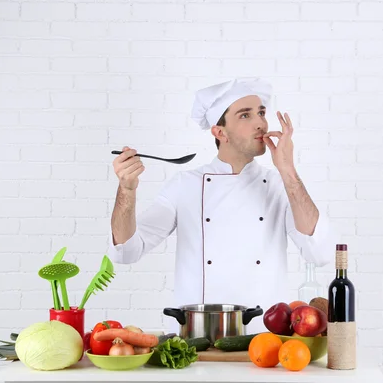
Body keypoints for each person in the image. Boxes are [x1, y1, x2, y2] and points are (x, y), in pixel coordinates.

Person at [108, 78, 333, 334]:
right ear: (220, 132)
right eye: (245, 115)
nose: (261, 122)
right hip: (196, 337)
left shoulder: (280, 186)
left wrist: (288, 170)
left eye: (261, 112)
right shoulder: (185, 185)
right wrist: (126, 191)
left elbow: (320, 253)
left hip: (265, 341)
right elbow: (126, 251)